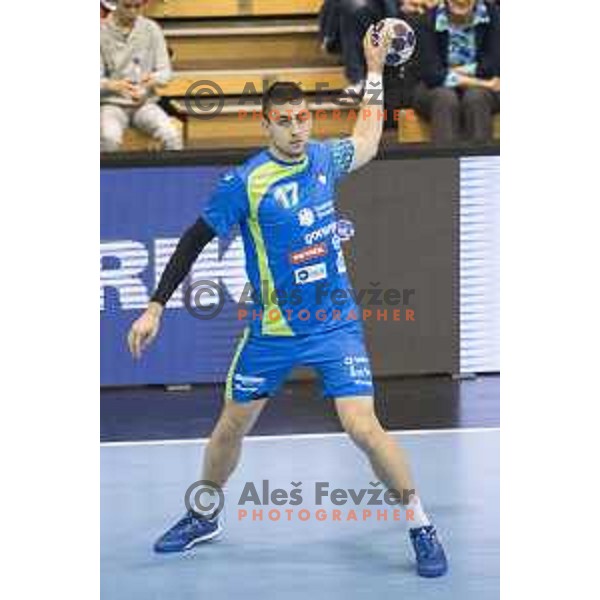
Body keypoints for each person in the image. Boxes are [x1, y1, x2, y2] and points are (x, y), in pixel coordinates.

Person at [127, 25, 447, 578]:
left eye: (304, 119)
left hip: (333, 325)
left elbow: (369, 139)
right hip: (271, 331)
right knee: (230, 426)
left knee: (363, 427)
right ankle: (204, 514)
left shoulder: (324, 159)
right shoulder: (245, 184)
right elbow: (193, 239)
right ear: (266, 123)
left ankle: (420, 523)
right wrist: (155, 305)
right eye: (286, 121)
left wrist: (373, 72)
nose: (298, 130)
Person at [413, 0, 500, 143]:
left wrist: (450, 71)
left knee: (476, 97)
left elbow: (492, 66)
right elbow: (432, 75)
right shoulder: (425, 21)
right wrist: (483, 83)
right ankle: (444, 163)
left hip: (486, 89)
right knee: (444, 98)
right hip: (435, 89)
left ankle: (477, 161)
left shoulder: (496, 16)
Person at [100, 0, 182, 151]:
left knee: (172, 135)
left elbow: (165, 72)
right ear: (115, 5)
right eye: (127, 6)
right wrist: (113, 85)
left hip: (145, 103)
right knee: (108, 138)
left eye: (137, 6)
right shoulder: (99, 32)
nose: (133, 11)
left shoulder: (151, 29)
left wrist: (152, 80)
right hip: (111, 104)